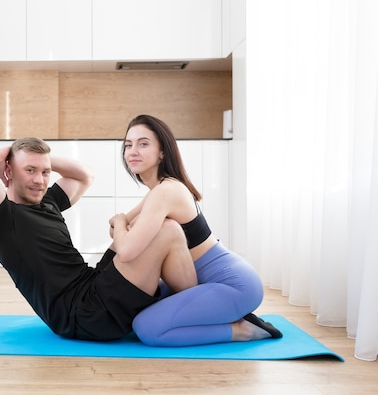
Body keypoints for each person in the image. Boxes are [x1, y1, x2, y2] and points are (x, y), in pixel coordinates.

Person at [0, 136, 197, 341]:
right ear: (9, 170)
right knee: (169, 231)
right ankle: (197, 312)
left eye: (45, 172)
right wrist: (6, 153)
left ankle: (187, 304)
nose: (40, 180)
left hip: (92, 284)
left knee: (146, 227)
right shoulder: (2, 218)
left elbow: (85, 175)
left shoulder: (47, 201)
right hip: (83, 315)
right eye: (29, 170)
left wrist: (36, 160)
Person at [113, 114, 282, 346]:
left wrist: (121, 221)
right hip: (201, 282)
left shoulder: (166, 191)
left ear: (162, 152)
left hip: (233, 284)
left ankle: (242, 330)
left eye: (143, 144)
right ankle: (226, 317)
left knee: (147, 329)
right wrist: (122, 224)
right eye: (128, 145)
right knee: (133, 309)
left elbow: (125, 247)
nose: (132, 151)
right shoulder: (159, 191)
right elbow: (119, 228)